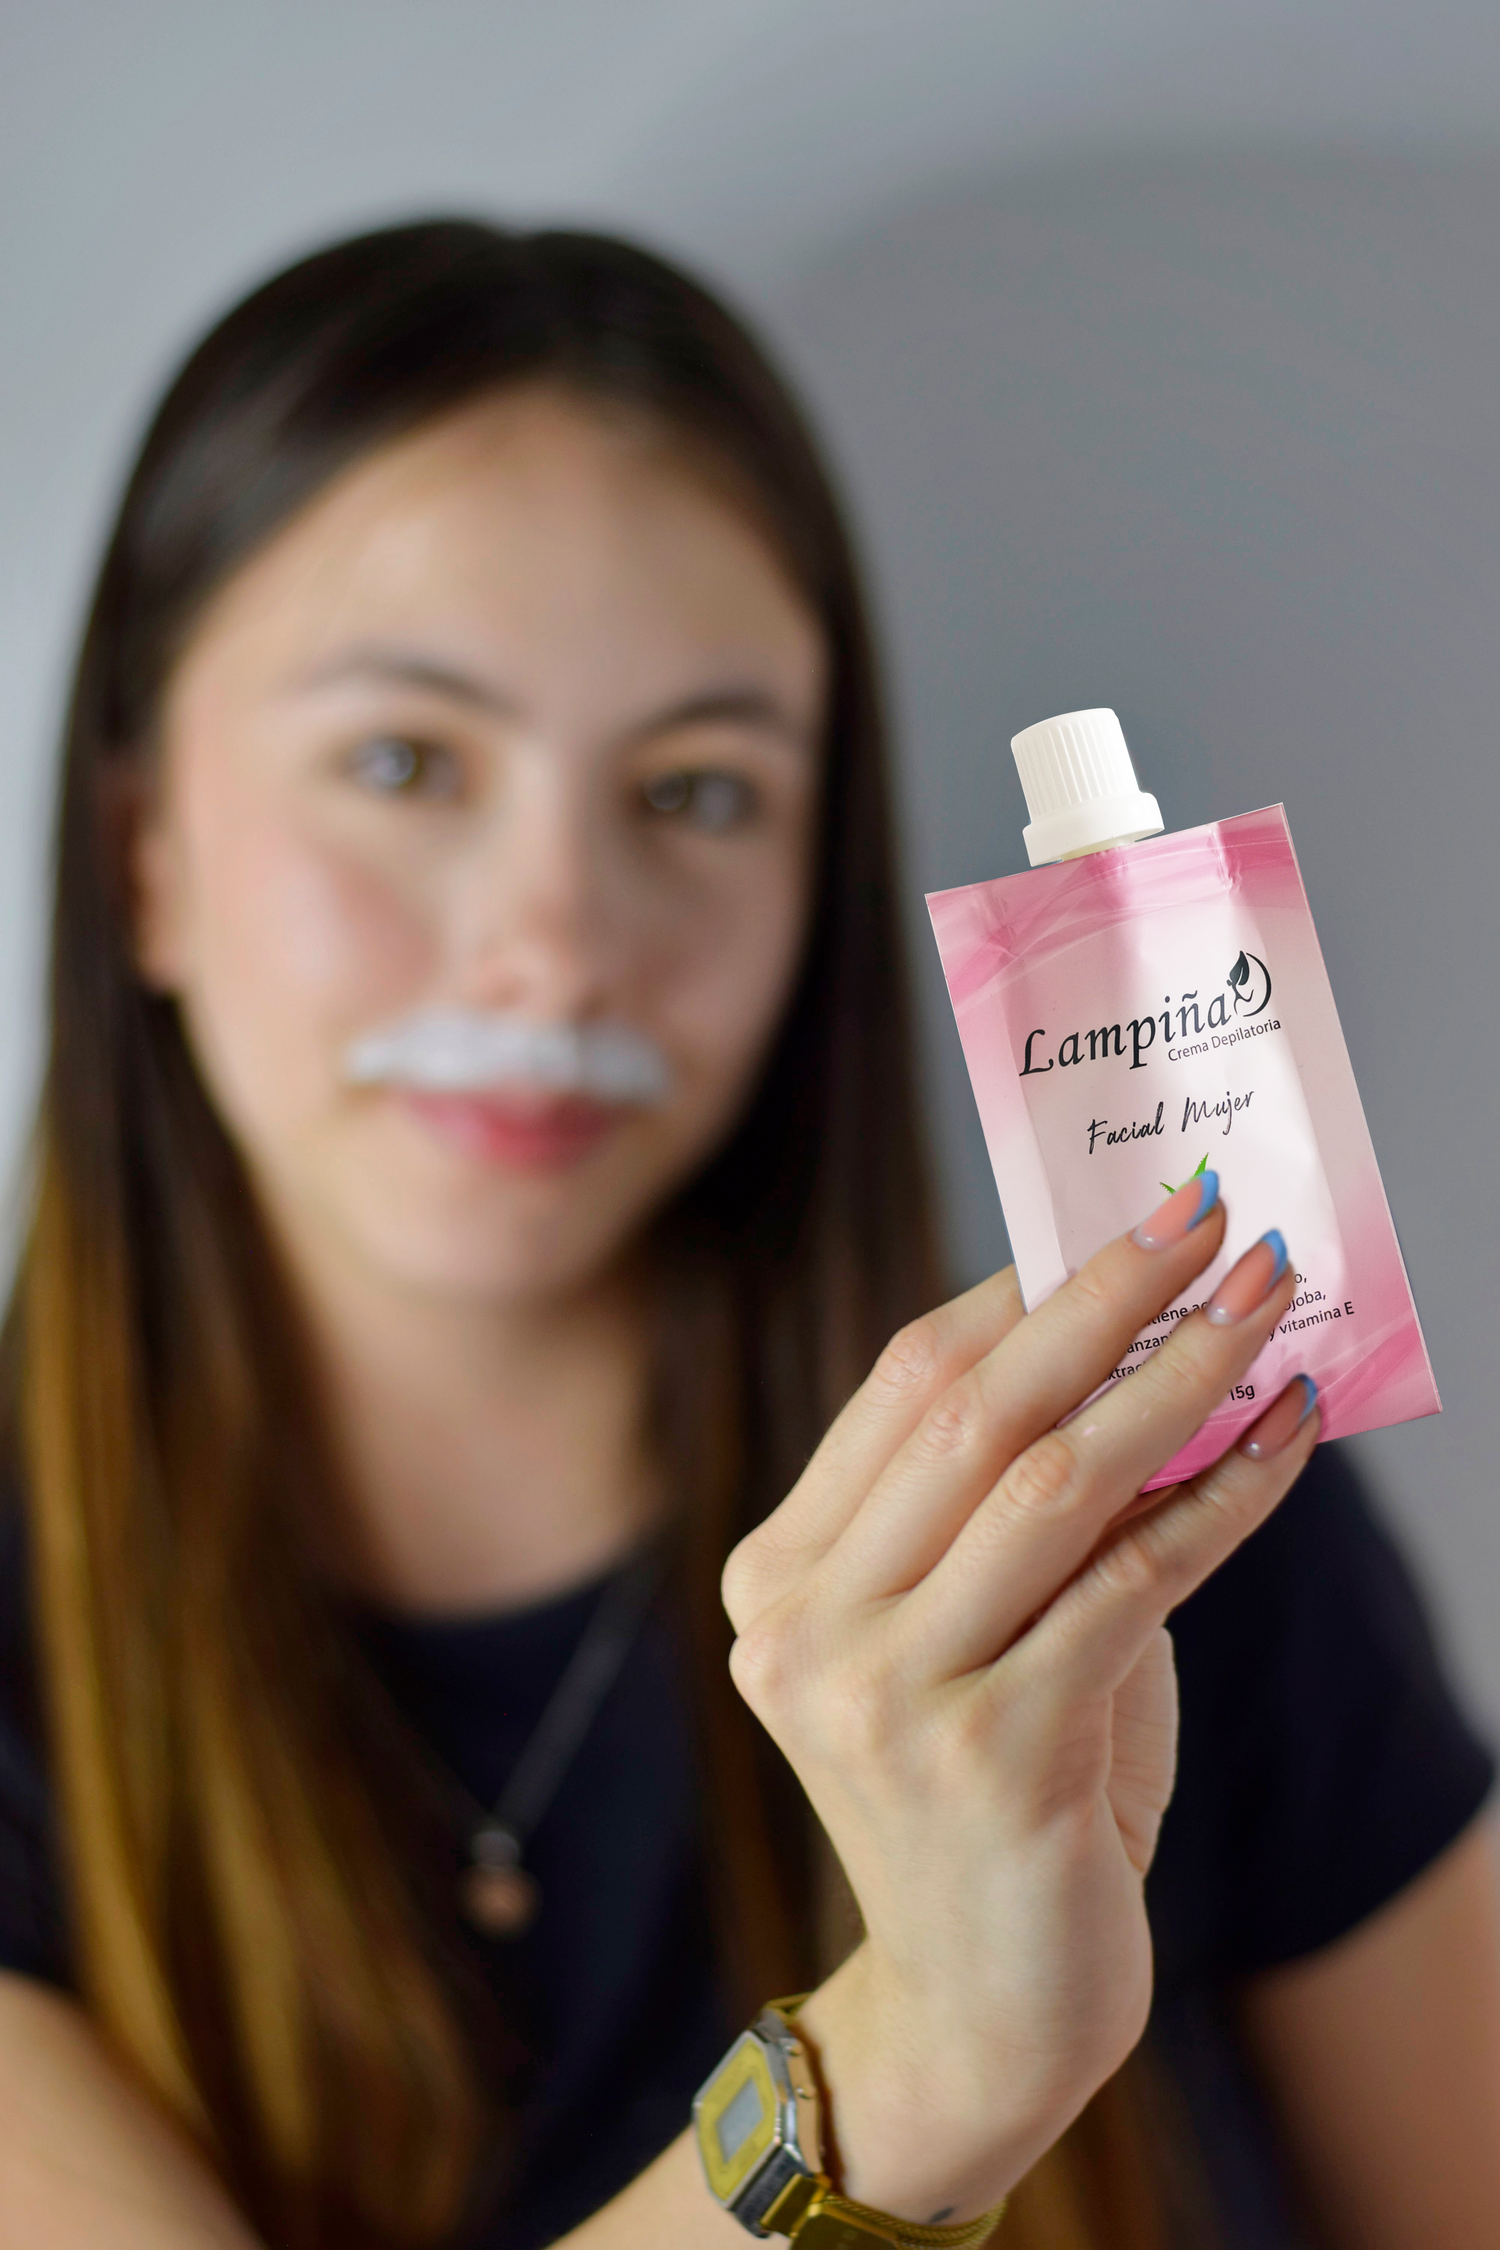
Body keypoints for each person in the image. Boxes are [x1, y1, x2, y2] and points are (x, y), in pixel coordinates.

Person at [0, 219, 1496, 2250]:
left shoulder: (1157, 1516)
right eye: (403, 763)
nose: (555, 945)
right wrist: (916, 2060)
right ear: (143, 858)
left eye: (696, 795)